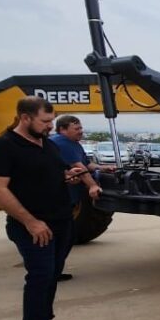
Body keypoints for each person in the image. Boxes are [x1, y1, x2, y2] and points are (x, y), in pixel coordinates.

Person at [0, 98, 86, 320]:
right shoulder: (3, 147)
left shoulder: (47, 145)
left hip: (60, 221)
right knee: (40, 276)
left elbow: (51, 174)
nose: (50, 126)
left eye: (51, 121)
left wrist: (68, 175)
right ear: (25, 117)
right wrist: (30, 221)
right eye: (45, 121)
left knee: (52, 274)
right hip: (32, 226)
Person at [49, 115, 112, 281]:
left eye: (81, 128)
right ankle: (50, 273)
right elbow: (79, 167)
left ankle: (54, 272)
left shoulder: (73, 144)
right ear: (63, 129)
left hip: (67, 200)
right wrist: (92, 185)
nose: (81, 132)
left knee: (65, 237)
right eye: (76, 129)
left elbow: (87, 164)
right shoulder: (61, 142)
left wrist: (103, 168)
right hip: (58, 200)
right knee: (60, 237)